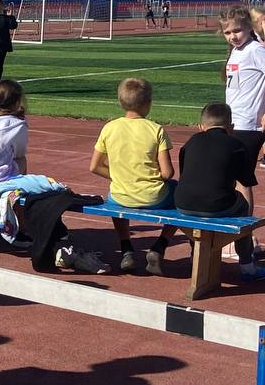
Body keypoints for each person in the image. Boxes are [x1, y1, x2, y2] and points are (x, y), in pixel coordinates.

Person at [89, 77, 177, 274]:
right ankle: (160, 245)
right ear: (148, 104)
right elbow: (167, 173)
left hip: (121, 196)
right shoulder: (156, 129)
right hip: (154, 197)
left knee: (114, 194)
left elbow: (94, 166)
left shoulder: (109, 127)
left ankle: (126, 247)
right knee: (180, 194)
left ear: (120, 102)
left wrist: (119, 176)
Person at [176, 101, 265, 282]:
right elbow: (246, 181)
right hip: (216, 204)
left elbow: (185, 174)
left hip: (183, 204)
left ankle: (194, 255)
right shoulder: (236, 145)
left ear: (201, 126)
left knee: (197, 200)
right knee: (243, 207)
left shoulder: (191, 142)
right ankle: (247, 265)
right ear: (231, 127)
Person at [221, 5, 265, 215]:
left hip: (248, 125)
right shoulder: (236, 51)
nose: (232, 36)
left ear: (249, 27)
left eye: (237, 30)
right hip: (233, 122)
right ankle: (236, 227)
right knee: (231, 177)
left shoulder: (255, 50)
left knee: (242, 179)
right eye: (227, 32)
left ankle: (244, 230)